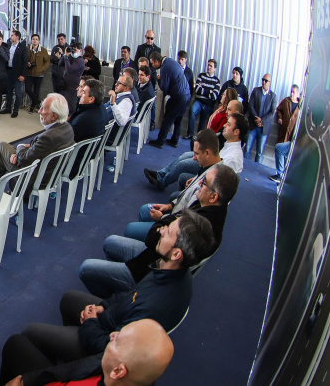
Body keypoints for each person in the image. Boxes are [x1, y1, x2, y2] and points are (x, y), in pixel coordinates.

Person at [22, 211, 212, 364]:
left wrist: (90, 323)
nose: (161, 231)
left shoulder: (154, 304)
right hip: (113, 318)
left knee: (29, 334)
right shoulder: (172, 270)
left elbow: (111, 348)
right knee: (69, 299)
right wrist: (103, 306)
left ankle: (77, 361)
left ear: (177, 253)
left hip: (103, 348)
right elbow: (131, 295)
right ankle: (66, 356)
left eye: (168, 232)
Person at [82, 166, 236, 298]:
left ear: (213, 196)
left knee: (85, 268)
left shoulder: (205, 224)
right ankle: (116, 287)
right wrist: (167, 223)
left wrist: (164, 222)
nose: (199, 185)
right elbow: (163, 230)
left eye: (203, 183)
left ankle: (118, 299)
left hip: (148, 271)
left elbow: (152, 238)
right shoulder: (209, 207)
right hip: (151, 255)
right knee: (110, 242)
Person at [0, 319, 174, 386]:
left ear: (120, 371)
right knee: (16, 344)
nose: (112, 335)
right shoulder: (117, 368)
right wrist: (27, 380)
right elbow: (73, 369)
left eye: (117, 340)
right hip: (54, 381)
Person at [128, 129, 223, 241]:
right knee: (145, 210)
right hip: (176, 212)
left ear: (207, 153)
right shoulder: (209, 170)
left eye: (197, 154)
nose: (194, 158)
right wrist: (170, 206)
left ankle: (151, 245)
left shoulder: (209, 183)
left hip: (177, 229)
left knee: (129, 230)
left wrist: (162, 218)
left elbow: (188, 221)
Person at [0, 94, 75, 194]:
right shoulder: (67, 128)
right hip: (48, 175)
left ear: (54, 116)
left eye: (43, 108)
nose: (39, 111)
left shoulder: (48, 138)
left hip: (31, 180)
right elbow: (40, 150)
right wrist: (23, 152)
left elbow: (23, 159)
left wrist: (21, 147)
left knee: (0, 147)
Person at [144, 112, 246, 192]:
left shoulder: (233, 157)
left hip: (209, 169)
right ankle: (161, 175)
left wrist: (197, 177)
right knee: (185, 155)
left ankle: (161, 182)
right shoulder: (230, 143)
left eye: (228, 124)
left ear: (236, 132)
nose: (224, 125)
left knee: (182, 165)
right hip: (210, 163)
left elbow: (217, 177)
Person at [147, 52, 190, 148]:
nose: (152, 66)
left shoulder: (164, 68)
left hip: (178, 96)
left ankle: (160, 141)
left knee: (167, 118)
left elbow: (164, 88)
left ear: (157, 61)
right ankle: (174, 140)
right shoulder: (169, 61)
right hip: (186, 94)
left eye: (153, 63)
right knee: (178, 119)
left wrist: (159, 79)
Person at [185, 58, 221, 139]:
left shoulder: (216, 81)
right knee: (192, 111)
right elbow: (197, 90)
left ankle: (198, 137)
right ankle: (190, 134)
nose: (209, 67)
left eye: (211, 66)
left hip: (209, 105)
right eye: (208, 65)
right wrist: (209, 91)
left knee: (203, 122)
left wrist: (203, 90)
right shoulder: (201, 76)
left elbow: (214, 96)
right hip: (199, 101)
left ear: (215, 69)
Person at [245, 73, 278, 163]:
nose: (263, 82)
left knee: (259, 152)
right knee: (247, 148)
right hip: (253, 125)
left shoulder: (273, 96)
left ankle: (256, 171)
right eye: (263, 79)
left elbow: (272, 112)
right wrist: (256, 119)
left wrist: (262, 120)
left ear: (270, 83)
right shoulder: (256, 91)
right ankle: (244, 167)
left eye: (266, 80)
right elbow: (250, 105)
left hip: (263, 128)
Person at [70, 79, 107, 143]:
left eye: (84, 92)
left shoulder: (82, 119)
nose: (81, 95)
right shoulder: (101, 108)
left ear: (91, 99)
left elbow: (67, 140)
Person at [271, 103, 300, 183]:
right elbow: (278, 109)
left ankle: (281, 175)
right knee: (281, 149)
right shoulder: (290, 103)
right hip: (291, 138)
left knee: (280, 149)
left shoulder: (303, 112)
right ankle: (282, 175)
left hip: (298, 143)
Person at [23, 34, 50, 114]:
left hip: (39, 74)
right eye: (33, 39)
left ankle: (33, 105)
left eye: (36, 39)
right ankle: (37, 101)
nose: (34, 40)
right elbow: (24, 58)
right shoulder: (27, 49)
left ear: (39, 41)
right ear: (31, 40)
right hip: (29, 73)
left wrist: (42, 69)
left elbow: (47, 61)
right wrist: (27, 63)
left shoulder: (43, 50)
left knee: (36, 90)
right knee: (27, 89)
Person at [107, 75, 135, 145]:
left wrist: (113, 104)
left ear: (126, 88)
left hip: (107, 137)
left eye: (119, 83)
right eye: (117, 82)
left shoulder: (126, 101)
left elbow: (122, 121)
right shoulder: (121, 96)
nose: (116, 84)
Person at [59, 42, 85, 113]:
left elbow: (69, 69)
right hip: (65, 85)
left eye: (75, 50)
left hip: (73, 87)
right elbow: (60, 63)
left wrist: (67, 58)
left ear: (80, 51)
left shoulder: (80, 61)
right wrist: (65, 54)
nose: (73, 52)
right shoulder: (70, 57)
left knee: (70, 106)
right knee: (63, 105)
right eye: (72, 50)